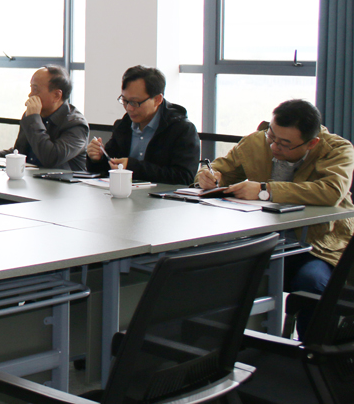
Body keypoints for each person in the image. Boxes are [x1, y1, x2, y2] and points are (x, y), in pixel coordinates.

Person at [196, 99, 354, 336]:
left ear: (312, 143)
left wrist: (265, 190)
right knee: (218, 273)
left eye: (284, 144)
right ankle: (229, 344)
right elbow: (220, 169)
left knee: (312, 284)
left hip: (320, 244)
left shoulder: (337, 149)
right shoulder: (257, 141)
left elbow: (331, 191)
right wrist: (207, 176)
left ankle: (314, 352)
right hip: (262, 241)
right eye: (272, 136)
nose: (274, 146)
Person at [87, 65, 200, 185]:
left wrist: (132, 167)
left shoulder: (181, 129)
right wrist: (97, 158)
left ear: (157, 99)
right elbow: (107, 169)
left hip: (160, 197)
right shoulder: (124, 125)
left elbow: (185, 177)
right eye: (125, 101)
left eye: (135, 102)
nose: (129, 108)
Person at [0, 66, 88, 170]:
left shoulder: (76, 124)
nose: (30, 95)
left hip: (63, 184)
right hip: (32, 181)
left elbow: (50, 158)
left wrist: (34, 119)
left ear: (56, 95)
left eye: (35, 90)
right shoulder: (32, 115)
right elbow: (21, 151)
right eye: (31, 88)